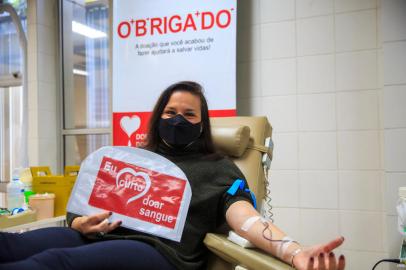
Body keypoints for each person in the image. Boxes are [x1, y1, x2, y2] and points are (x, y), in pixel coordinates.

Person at [0, 81, 345, 270]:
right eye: (170, 112)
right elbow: (83, 205)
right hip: (96, 238)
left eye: (189, 114)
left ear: (202, 123)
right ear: (157, 116)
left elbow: (249, 221)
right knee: (10, 245)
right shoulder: (134, 159)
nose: (177, 119)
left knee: (50, 263)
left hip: (156, 252)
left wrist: (295, 252)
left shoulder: (218, 169)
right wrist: (78, 223)